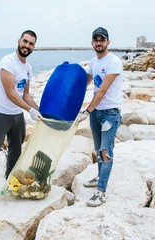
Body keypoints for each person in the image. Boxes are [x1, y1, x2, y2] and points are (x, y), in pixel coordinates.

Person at [0, 30, 41, 209]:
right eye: (25, 41)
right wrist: (29, 110)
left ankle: (10, 180)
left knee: (16, 150)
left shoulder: (28, 67)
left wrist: (39, 111)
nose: (27, 46)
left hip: (17, 115)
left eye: (30, 44)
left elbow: (25, 94)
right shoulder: (7, 62)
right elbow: (11, 93)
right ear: (19, 41)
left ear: (33, 47)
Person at [77, 27, 123, 207]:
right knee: (98, 149)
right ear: (92, 43)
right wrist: (68, 75)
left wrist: (86, 111)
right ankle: (99, 176)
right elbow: (86, 81)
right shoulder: (93, 62)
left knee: (106, 151)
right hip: (97, 112)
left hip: (110, 113)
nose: (99, 43)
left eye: (102, 39)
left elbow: (102, 90)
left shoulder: (114, 62)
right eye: (95, 40)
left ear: (108, 42)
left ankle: (101, 192)